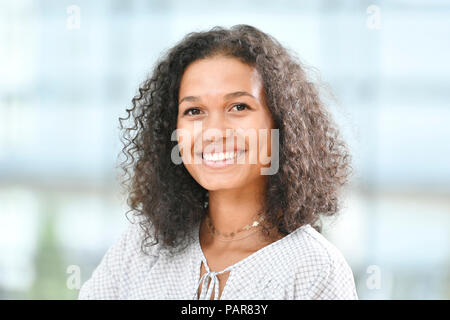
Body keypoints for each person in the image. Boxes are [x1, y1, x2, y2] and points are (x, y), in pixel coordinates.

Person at [78, 24, 358, 300]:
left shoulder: (315, 269)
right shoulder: (142, 246)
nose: (214, 132)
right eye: (194, 110)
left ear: (281, 123)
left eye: (239, 107)